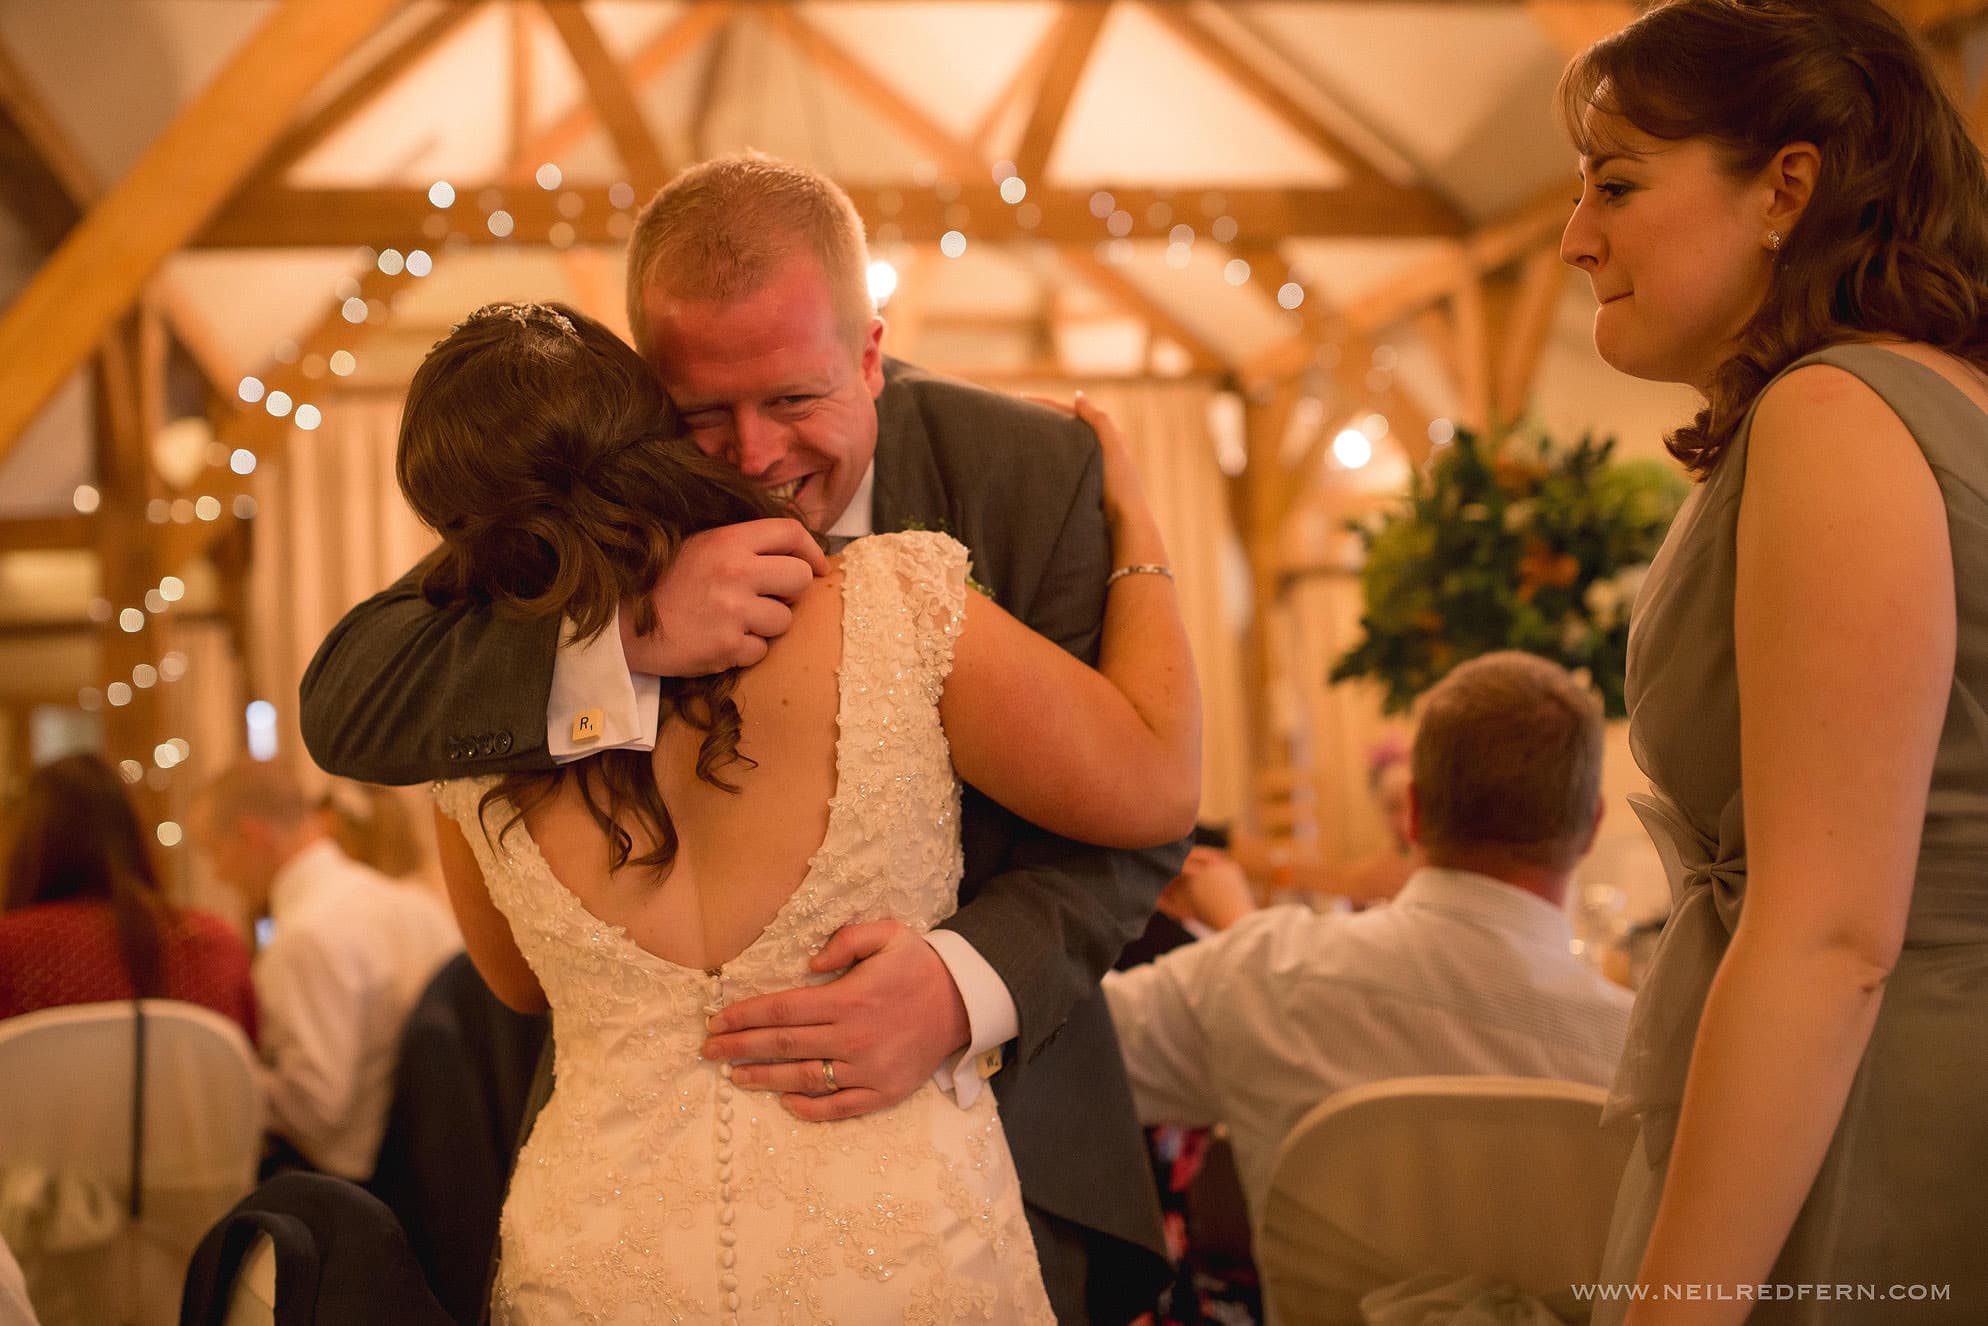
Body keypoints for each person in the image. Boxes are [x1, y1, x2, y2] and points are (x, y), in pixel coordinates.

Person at [300, 153, 1189, 1320]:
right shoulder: (548, 546)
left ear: (871, 354)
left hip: (987, 1144)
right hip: (636, 1216)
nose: (756, 456)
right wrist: (621, 638)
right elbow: (347, 698)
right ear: (632, 404)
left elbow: (1125, 826)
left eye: (795, 401)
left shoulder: (1023, 471)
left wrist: (962, 983)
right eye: (699, 416)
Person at [1558, 2, 1988, 1319]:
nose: (1577, 238)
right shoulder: (1942, 395)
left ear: (1786, 186)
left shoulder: (1838, 410)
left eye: (1617, 184)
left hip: (1871, 1118)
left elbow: (1828, 934)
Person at [1104, 651, 1633, 1222]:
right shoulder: (1648, 1057)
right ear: (1592, 826)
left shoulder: (1258, 973)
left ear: (1412, 812)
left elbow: (1066, 1042)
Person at [190, 762, 460, 1181]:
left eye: (213, 852)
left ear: (250, 836)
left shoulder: (304, 938)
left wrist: (217, 1077)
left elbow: (314, 1110)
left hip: (354, 1190)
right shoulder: (416, 906)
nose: (217, 874)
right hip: (441, 1171)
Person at [0, 754, 254, 1039]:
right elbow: (243, 1067)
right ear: (134, 836)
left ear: (27, 846)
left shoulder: (10, 953)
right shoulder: (211, 943)